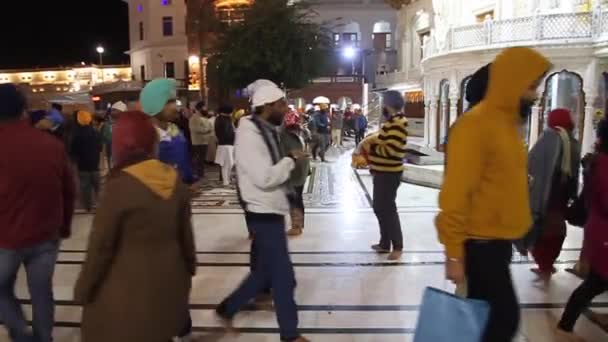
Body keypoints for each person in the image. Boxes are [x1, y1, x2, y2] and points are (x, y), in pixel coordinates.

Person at [436, 47, 550, 342]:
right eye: (531, 86)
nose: (535, 95)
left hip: (497, 244)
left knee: (489, 323)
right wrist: (454, 254)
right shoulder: (475, 125)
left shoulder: (504, 125)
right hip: (479, 245)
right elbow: (455, 195)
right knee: (501, 321)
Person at [74, 111, 196, 342]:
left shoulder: (119, 186)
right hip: (169, 286)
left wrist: (84, 289)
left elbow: (101, 247)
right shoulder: (172, 179)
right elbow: (186, 239)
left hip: (127, 294)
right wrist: (188, 271)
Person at [216, 85, 309, 342]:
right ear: (267, 107)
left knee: (265, 273)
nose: (285, 109)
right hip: (262, 211)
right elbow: (265, 177)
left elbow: (273, 176)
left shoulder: (265, 131)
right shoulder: (250, 136)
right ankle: (290, 335)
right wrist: (291, 159)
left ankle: (228, 308)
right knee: (283, 277)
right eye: (281, 104)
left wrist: (291, 203)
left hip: (271, 208)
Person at [0, 84, 75, 342]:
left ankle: (20, 333)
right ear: (24, 111)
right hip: (45, 235)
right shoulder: (49, 144)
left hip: (5, 238)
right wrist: (64, 225)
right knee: (42, 292)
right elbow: (68, 188)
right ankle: (44, 338)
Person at [556, 118, 608, 342]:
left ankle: (565, 323)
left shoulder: (598, 161)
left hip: (598, 229)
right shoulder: (605, 164)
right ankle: (565, 324)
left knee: (596, 281)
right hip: (604, 231)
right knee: (596, 282)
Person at [524, 108, 580, 281]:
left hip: (545, 194)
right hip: (561, 195)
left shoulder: (549, 137)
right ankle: (548, 263)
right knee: (556, 228)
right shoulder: (572, 141)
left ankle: (544, 265)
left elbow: (531, 162)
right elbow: (574, 171)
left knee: (541, 229)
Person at [368, 91, 408, 261]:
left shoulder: (398, 123)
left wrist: (372, 147)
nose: (382, 106)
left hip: (389, 173)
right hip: (381, 171)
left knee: (388, 209)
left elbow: (390, 151)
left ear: (389, 104)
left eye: (384, 102)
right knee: (379, 207)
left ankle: (397, 246)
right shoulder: (390, 122)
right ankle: (385, 243)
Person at [140, 78, 196, 187]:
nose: (175, 108)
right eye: (169, 102)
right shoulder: (142, 137)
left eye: (175, 101)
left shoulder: (177, 133)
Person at [281, 110, 311, 237]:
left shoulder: (288, 135)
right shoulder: (302, 132)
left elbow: (291, 153)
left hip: (295, 171)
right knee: (296, 198)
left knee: (294, 199)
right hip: (300, 170)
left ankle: (297, 226)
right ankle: (298, 225)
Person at [71, 111, 103, 212]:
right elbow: (100, 148)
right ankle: (102, 206)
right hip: (95, 165)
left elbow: (73, 151)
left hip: (83, 166)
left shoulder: (76, 135)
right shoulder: (96, 133)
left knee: (85, 188)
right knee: (98, 187)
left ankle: (88, 207)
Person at [189, 101, 213, 178]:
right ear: (200, 108)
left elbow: (210, 128)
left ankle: (201, 173)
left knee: (202, 159)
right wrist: (206, 130)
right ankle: (197, 173)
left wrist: (207, 130)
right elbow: (195, 129)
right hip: (197, 142)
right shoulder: (194, 118)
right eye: (204, 107)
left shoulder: (204, 118)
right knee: (198, 159)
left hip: (204, 141)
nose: (206, 109)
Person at [215, 105, 236, 186]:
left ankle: (227, 179)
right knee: (226, 163)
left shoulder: (226, 119)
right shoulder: (221, 119)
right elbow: (224, 132)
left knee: (229, 163)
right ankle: (225, 181)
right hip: (224, 143)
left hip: (228, 143)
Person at [102, 101, 127, 170]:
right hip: (111, 154)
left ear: (121, 112)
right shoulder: (108, 124)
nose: (112, 112)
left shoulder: (127, 123)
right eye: (112, 110)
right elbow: (105, 138)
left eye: (114, 110)